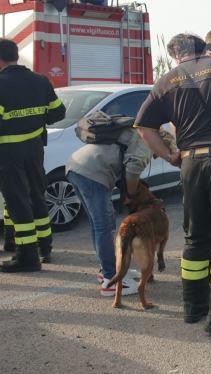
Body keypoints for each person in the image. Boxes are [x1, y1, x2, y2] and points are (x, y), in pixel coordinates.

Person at [135, 33, 211, 336]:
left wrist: (169, 155)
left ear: (174, 55)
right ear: (201, 48)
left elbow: (144, 127)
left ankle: (193, 308)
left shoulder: (166, 80)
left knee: (195, 237)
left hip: (190, 164)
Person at [66, 112, 156, 297]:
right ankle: (111, 279)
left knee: (98, 224)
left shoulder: (135, 133)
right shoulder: (145, 143)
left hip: (75, 167)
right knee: (104, 227)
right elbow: (132, 171)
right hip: (91, 174)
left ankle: (106, 269)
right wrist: (130, 195)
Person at [0, 38, 65, 272]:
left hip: (8, 154)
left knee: (17, 202)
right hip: (35, 150)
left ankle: (27, 257)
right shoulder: (40, 81)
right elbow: (58, 111)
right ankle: (44, 247)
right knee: (37, 195)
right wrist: (35, 121)